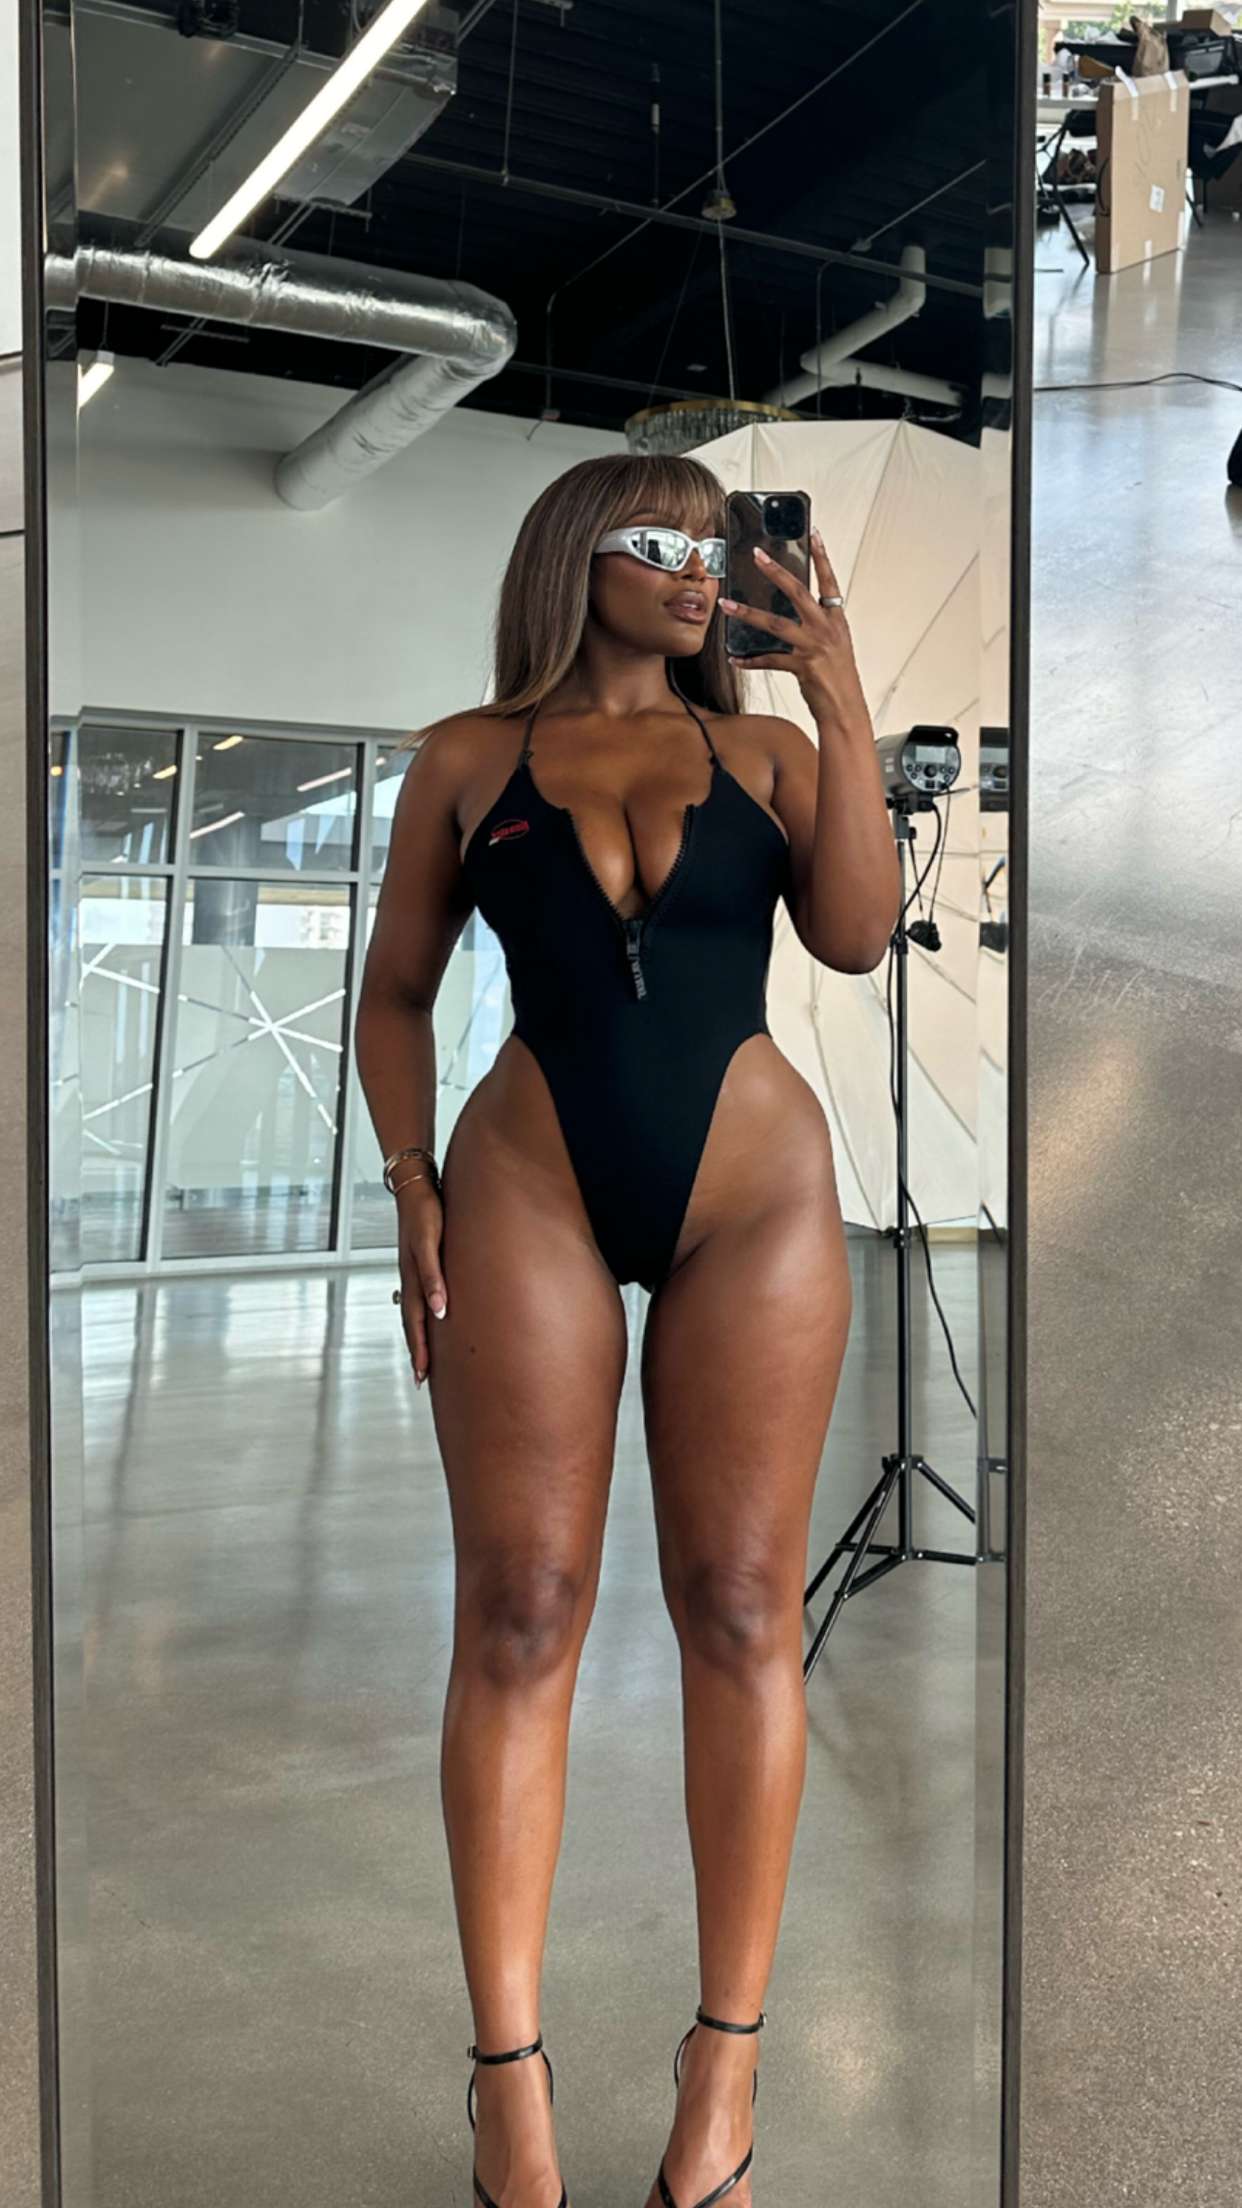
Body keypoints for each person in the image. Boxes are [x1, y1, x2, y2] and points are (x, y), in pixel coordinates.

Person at [354, 452, 900, 2208]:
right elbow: (393, 994)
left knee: (741, 1606)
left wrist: (834, 691)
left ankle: (720, 2066)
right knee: (520, 1611)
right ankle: (505, 2082)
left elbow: (857, 937)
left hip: (754, 1202)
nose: (692, 571)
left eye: (713, 547)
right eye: (656, 541)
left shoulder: (768, 756)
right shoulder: (468, 755)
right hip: (527, 1186)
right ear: (570, 558)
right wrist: (408, 1180)